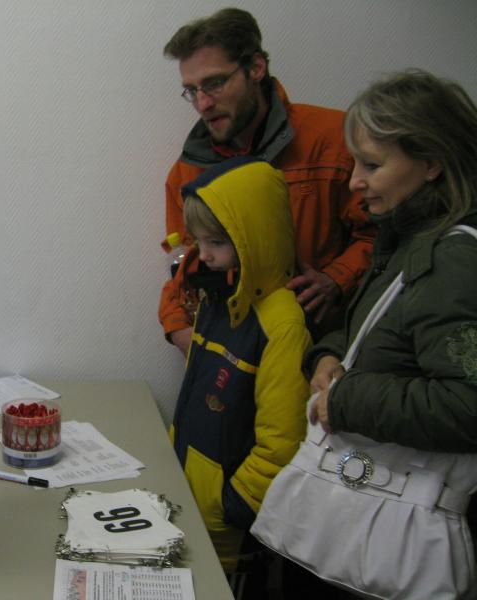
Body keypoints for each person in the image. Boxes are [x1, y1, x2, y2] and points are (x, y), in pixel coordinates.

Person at [305, 69, 477, 597]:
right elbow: (375, 329)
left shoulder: (453, 259)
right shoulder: (404, 239)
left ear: (432, 163)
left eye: (372, 165)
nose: (354, 181)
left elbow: (468, 404)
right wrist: (329, 355)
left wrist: (347, 399)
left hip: (404, 537)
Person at [159, 8, 375, 354]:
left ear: (256, 68)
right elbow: (185, 265)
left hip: (322, 349)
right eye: (191, 90)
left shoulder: (335, 140)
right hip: (233, 356)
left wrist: (337, 279)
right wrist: (177, 328)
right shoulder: (186, 173)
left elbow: (384, 235)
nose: (202, 103)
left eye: (214, 83)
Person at [170, 156, 310, 597]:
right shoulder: (219, 298)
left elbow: (283, 442)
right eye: (199, 241)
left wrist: (234, 506)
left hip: (230, 529)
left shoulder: (282, 325)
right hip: (194, 501)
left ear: (256, 239)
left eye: (216, 242)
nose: (204, 254)